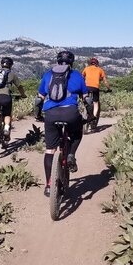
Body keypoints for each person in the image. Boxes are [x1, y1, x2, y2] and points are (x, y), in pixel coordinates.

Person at [38, 50, 88, 197]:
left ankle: (48, 184)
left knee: (49, 150)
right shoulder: (77, 75)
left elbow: (39, 97)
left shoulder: (48, 75)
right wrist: (90, 115)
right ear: (72, 62)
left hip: (51, 115)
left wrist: (38, 114)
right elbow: (86, 99)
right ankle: (71, 154)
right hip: (70, 113)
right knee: (78, 132)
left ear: (58, 61)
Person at [0, 57, 26, 141]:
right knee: (7, 113)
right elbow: (19, 86)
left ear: (1, 64)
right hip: (6, 98)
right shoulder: (12, 74)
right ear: (11, 65)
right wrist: (23, 95)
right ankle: (6, 128)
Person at [81, 57, 111, 127]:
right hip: (95, 88)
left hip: (86, 87)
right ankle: (93, 117)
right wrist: (109, 89)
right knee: (96, 103)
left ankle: (84, 110)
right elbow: (105, 81)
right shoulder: (100, 70)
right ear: (97, 64)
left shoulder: (86, 68)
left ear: (90, 63)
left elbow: (81, 77)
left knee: (84, 99)